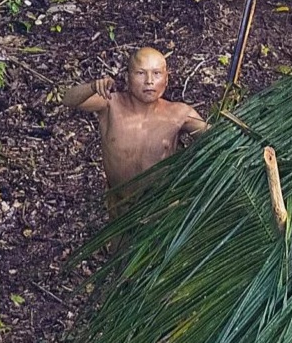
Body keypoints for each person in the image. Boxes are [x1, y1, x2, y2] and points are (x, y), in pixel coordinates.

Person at [63, 47, 209, 217]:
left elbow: (216, 140)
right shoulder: (110, 104)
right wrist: (93, 87)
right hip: (120, 209)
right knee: (119, 243)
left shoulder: (180, 114)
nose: (149, 81)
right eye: (140, 73)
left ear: (166, 79)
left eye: (156, 73)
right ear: (128, 77)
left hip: (160, 209)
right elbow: (68, 99)